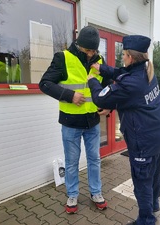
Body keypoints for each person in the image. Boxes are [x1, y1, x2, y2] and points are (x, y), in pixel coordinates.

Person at [87, 35, 160, 225]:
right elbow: (123, 76)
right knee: (153, 178)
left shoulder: (132, 83)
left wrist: (92, 80)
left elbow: (100, 97)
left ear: (131, 57)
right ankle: (153, 206)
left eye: (123, 55)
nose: (122, 58)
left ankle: (146, 219)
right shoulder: (146, 72)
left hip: (144, 143)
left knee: (142, 183)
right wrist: (101, 68)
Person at [39, 26, 110, 214]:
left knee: (94, 159)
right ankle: (72, 195)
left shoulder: (99, 60)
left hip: (92, 121)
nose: (92, 54)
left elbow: (107, 86)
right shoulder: (62, 58)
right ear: (79, 45)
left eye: (94, 50)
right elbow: (45, 84)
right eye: (88, 50)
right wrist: (69, 95)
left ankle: (96, 193)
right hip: (71, 123)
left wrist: (108, 105)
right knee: (71, 162)